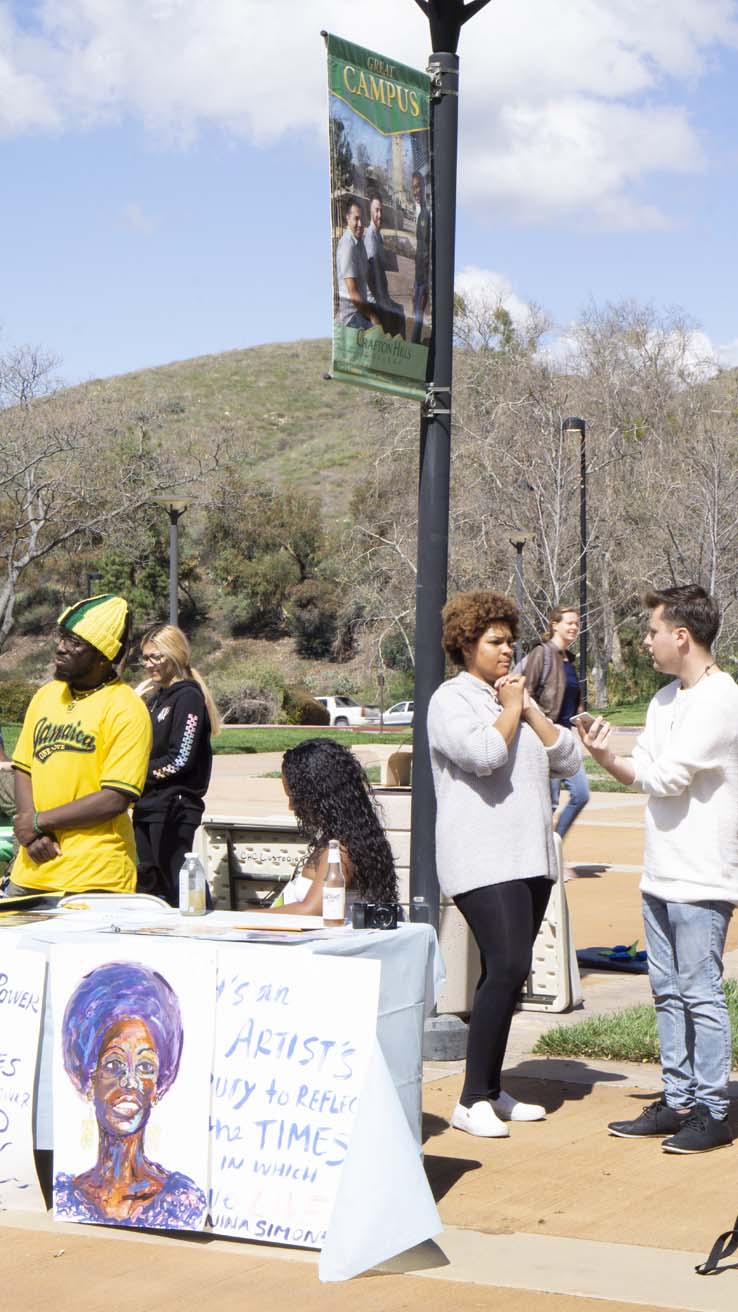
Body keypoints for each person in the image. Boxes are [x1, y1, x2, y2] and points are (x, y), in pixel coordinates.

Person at [580, 584, 738, 1154]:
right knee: (667, 992)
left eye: (651, 631)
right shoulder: (663, 700)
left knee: (700, 994)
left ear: (682, 635)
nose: (644, 641)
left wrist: (614, 763)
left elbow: (666, 777)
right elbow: (646, 764)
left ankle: (714, 1110)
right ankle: (677, 1102)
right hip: (660, 873)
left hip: (702, 877)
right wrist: (611, 758)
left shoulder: (722, 699)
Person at [427, 590, 580, 1137]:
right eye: (495, 641)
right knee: (509, 967)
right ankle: (470, 1101)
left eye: (510, 641)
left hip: (530, 858)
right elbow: (484, 757)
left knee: (505, 975)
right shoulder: (452, 701)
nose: (507, 651)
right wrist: (513, 708)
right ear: (466, 645)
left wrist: (530, 708)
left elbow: (568, 758)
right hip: (482, 859)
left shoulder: (512, 699)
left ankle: (491, 1089)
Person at [7, 594, 152, 897]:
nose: (61, 648)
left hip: (94, 878)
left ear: (103, 655)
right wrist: (30, 834)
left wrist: (36, 822)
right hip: (32, 869)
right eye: (63, 638)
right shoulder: (45, 696)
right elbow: (23, 767)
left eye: (76, 643)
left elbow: (115, 798)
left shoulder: (126, 708)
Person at [54, 960, 207, 1228]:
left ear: (159, 1086)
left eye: (145, 1066)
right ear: (89, 1078)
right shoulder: (66, 1198)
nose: (130, 1082)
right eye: (114, 1065)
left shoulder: (182, 1203)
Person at [133, 625, 220, 905]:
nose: (149, 665)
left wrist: (136, 776)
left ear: (175, 654)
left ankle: (203, 929)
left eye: (155, 657)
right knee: (149, 882)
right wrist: (134, 705)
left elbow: (181, 759)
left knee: (178, 882)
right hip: (148, 805)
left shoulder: (188, 697)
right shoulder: (158, 699)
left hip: (174, 807)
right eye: (145, 658)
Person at [267, 738, 398, 917]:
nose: (291, 806)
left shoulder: (339, 850)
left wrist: (240, 918)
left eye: (294, 797)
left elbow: (313, 909)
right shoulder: (348, 839)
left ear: (318, 796)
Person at [523, 607, 590, 860]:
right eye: (570, 623)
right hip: (545, 738)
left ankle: (555, 849)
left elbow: (573, 701)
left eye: (577, 623)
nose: (574, 627)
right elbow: (525, 693)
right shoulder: (541, 654)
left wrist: (585, 721)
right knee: (548, 804)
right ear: (554, 624)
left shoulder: (569, 660)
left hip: (566, 739)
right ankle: (545, 859)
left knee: (581, 794)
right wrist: (542, 725)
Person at [335, 199, 382, 331]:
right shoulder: (347, 246)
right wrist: (373, 317)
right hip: (351, 316)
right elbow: (353, 291)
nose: (360, 224)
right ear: (348, 218)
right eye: (356, 219)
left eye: (362, 219)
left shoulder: (360, 242)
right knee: (378, 336)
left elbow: (367, 279)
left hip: (361, 308)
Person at [363, 193, 406, 338]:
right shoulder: (371, 237)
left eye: (381, 210)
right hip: (375, 300)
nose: (379, 214)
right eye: (376, 210)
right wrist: (380, 302)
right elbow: (369, 274)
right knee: (399, 315)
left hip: (382, 296)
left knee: (400, 311)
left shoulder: (378, 236)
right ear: (370, 211)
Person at [410, 171, 430, 345]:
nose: (416, 191)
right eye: (413, 187)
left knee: (418, 313)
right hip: (418, 276)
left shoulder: (426, 214)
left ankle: (414, 345)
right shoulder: (420, 212)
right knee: (415, 310)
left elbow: (425, 249)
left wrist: (422, 283)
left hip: (423, 277)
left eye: (418, 187)